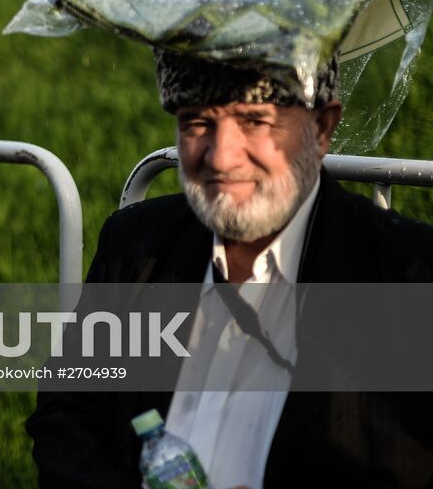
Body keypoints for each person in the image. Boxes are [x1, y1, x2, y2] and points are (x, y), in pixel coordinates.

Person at [26, 50, 433, 487]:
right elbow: (65, 418)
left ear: (321, 127)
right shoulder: (137, 242)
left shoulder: (406, 274)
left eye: (254, 121)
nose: (221, 158)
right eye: (197, 122)